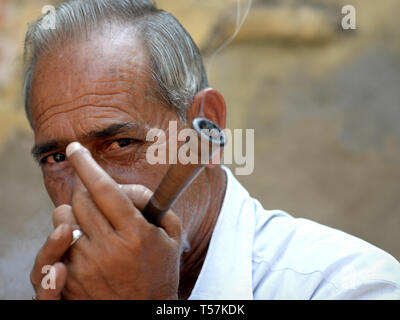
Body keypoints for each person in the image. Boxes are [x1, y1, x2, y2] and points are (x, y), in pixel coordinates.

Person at [25, 0, 400, 300]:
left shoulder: (349, 286)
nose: (83, 194)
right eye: (56, 158)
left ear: (208, 124)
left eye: (122, 144)